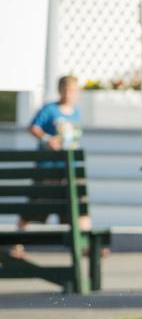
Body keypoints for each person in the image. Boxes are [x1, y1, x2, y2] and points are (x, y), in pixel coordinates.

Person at [10, 75, 89, 259]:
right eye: (67, 90)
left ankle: (86, 243)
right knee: (35, 207)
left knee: (80, 205)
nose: (70, 94)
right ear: (60, 90)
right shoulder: (49, 110)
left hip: (70, 168)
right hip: (49, 168)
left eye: (73, 91)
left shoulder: (76, 112)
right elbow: (33, 127)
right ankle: (17, 243)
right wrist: (47, 139)